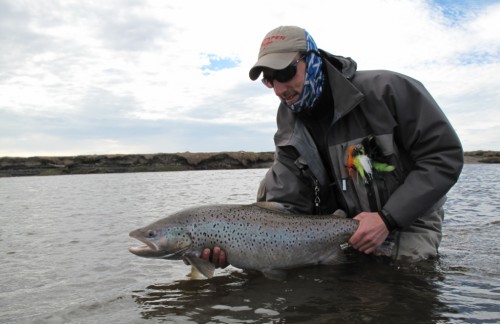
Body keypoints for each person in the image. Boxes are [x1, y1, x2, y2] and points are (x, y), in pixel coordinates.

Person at [201, 25, 463, 267]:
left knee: (399, 281)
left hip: (406, 219)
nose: (279, 89)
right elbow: (286, 205)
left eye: (285, 72)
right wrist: (241, 249)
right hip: (335, 227)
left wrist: (387, 219)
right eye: (270, 80)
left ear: (313, 59)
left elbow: (443, 157)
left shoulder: (388, 90)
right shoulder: (287, 123)